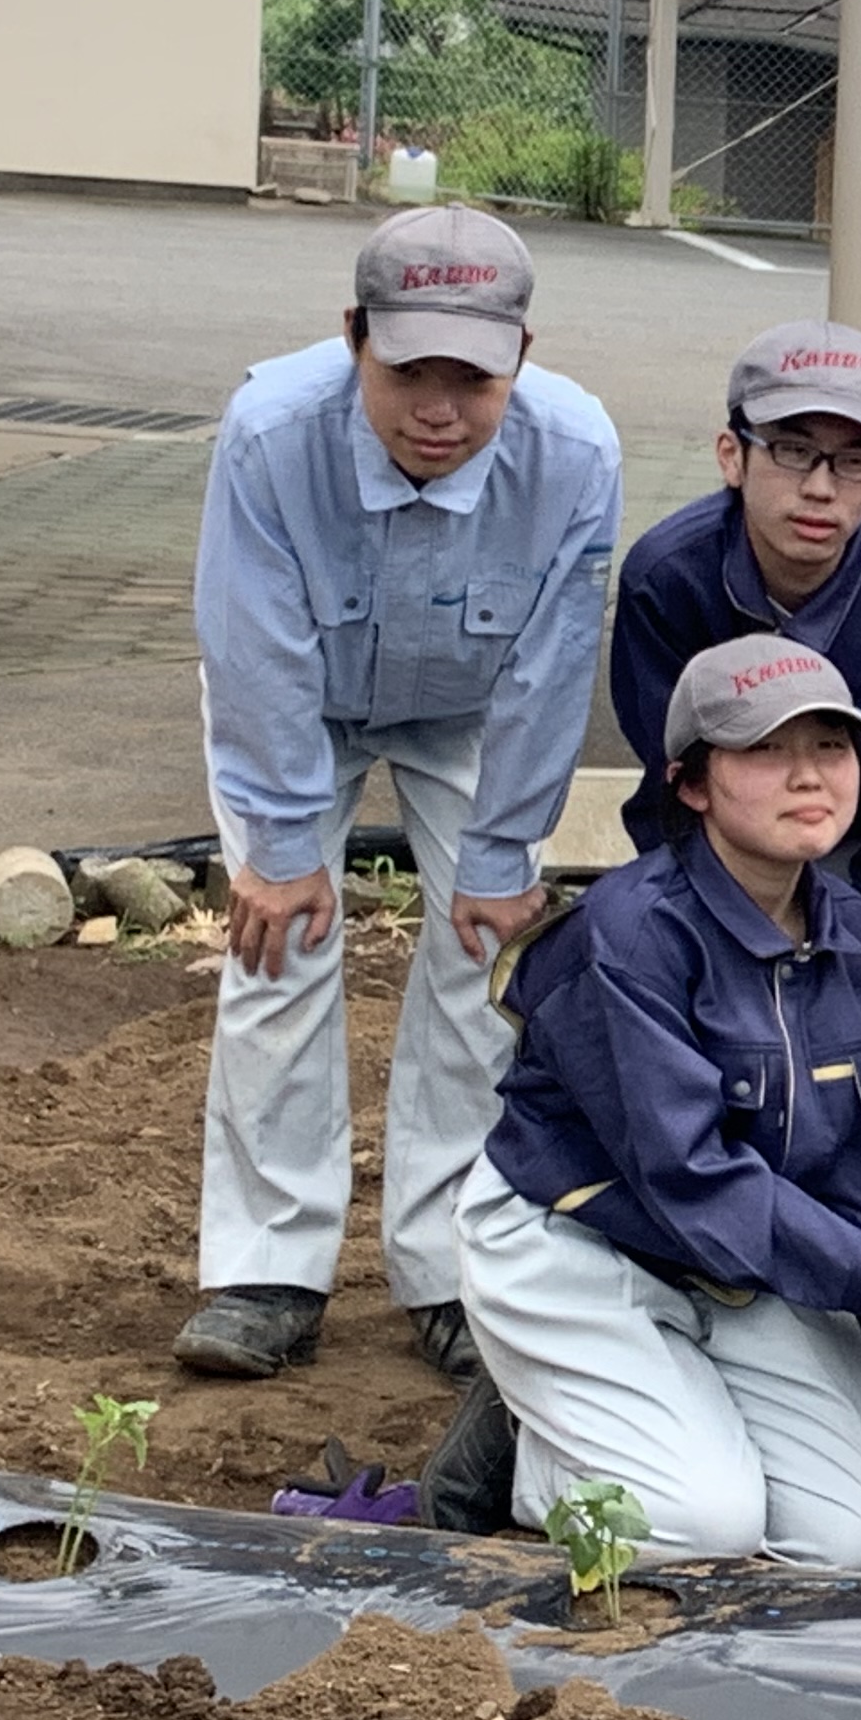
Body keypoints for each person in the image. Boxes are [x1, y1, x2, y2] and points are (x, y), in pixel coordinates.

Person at [456, 637, 861, 1568]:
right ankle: (535, 1452)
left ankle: (643, 1420)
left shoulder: (855, 935)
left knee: (851, 1540)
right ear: (691, 784)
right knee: (695, 1527)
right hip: (579, 1236)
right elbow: (690, 1175)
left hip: (744, 1261)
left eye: (831, 748)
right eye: (766, 751)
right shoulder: (631, 934)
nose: (808, 776)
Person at [181, 207, 623, 1386]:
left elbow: (550, 663)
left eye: (472, 378)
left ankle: (445, 1268)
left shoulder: (576, 452)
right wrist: (277, 845)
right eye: (408, 370)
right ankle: (267, 1267)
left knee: (485, 966)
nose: (439, 408)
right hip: (303, 700)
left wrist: (501, 856)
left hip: (472, 707)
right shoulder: (273, 429)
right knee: (280, 949)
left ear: (522, 355)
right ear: (352, 339)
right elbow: (254, 644)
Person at [607, 321, 861, 1289]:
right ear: (732, 453)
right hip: (722, 854)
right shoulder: (669, 575)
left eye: (852, 460)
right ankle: (706, 1265)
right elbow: (672, 780)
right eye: (792, 452)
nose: (820, 488)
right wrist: (709, 919)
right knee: (716, 1048)